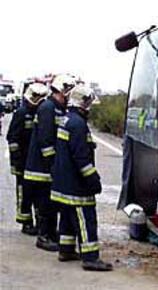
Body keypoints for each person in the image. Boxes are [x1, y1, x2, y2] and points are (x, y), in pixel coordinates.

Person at [51, 84, 113, 271]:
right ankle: (90, 257)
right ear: (82, 103)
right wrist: (93, 180)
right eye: (88, 103)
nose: (90, 107)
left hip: (63, 183)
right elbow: (81, 157)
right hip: (76, 185)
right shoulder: (78, 124)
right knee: (86, 219)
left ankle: (66, 249)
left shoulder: (66, 120)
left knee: (68, 219)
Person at [24, 73, 76, 251]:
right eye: (68, 93)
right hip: (42, 169)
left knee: (53, 205)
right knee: (46, 205)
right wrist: (53, 165)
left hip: (50, 168)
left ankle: (51, 234)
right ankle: (44, 236)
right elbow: (45, 141)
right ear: (61, 91)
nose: (69, 98)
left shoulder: (58, 109)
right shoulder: (47, 108)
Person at [6, 83, 49, 235]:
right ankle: (26, 222)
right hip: (22, 162)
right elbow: (12, 138)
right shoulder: (22, 113)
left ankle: (38, 221)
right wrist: (17, 161)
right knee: (24, 193)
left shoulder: (41, 114)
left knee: (37, 193)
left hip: (33, 162)